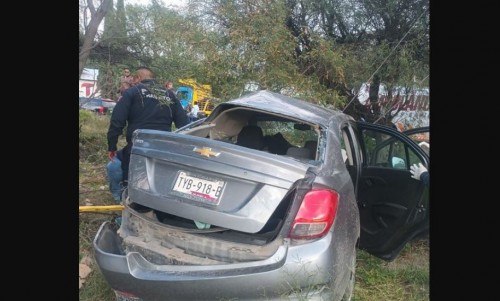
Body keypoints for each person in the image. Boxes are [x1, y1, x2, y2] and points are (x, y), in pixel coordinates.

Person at [107, 66, 190, 187]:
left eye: (132, 79)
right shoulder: (170, 95)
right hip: (162, 149)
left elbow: (117, 121)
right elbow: (185, 126)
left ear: (138, 78)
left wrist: (112, 147)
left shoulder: (133, 92)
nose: (131, 82)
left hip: (137, 147)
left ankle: (119, 195)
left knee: (113, 165)